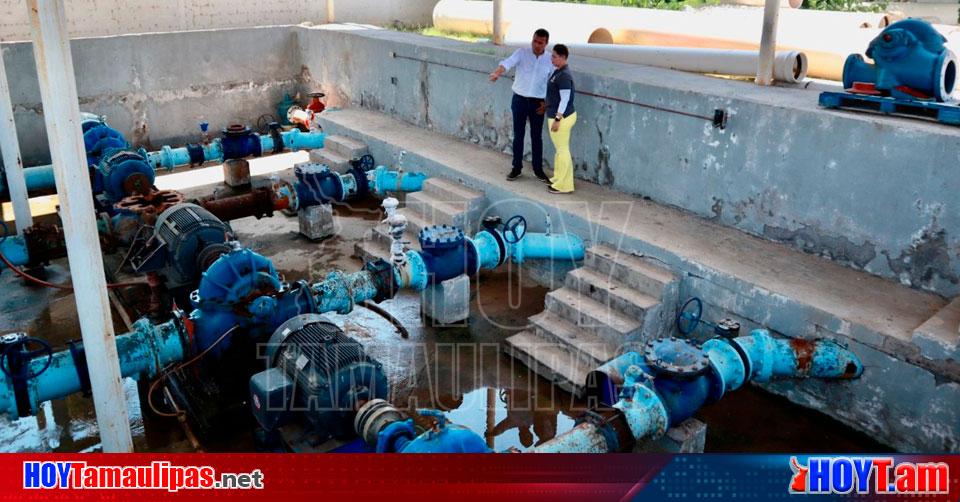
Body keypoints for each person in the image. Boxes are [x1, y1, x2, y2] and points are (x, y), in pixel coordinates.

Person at [489, 29, 554, 183]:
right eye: (535, 41)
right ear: (532, 39)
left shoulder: (550, 60)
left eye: (540, 42)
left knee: (536, 137)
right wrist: (497, 73)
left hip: (538, 103)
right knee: (518, 134)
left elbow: (553, 84)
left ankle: (538, 170)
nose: (537, 45)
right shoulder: (522, 53)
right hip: (519, 99)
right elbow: (507, 64)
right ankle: (516, 167)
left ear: (546, 43)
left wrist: (547, 104)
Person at [544, 44, 577, 194]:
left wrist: (558, 119)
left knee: (563, 150)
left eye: (554, 56)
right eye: (552, 56)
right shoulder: (559, 71)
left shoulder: (564, 75)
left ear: (563, 57)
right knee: (560, 150)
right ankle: (559, 178)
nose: (552, 59)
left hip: (562, 117)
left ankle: (564, 185)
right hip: (556, 115)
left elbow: (565, 99)